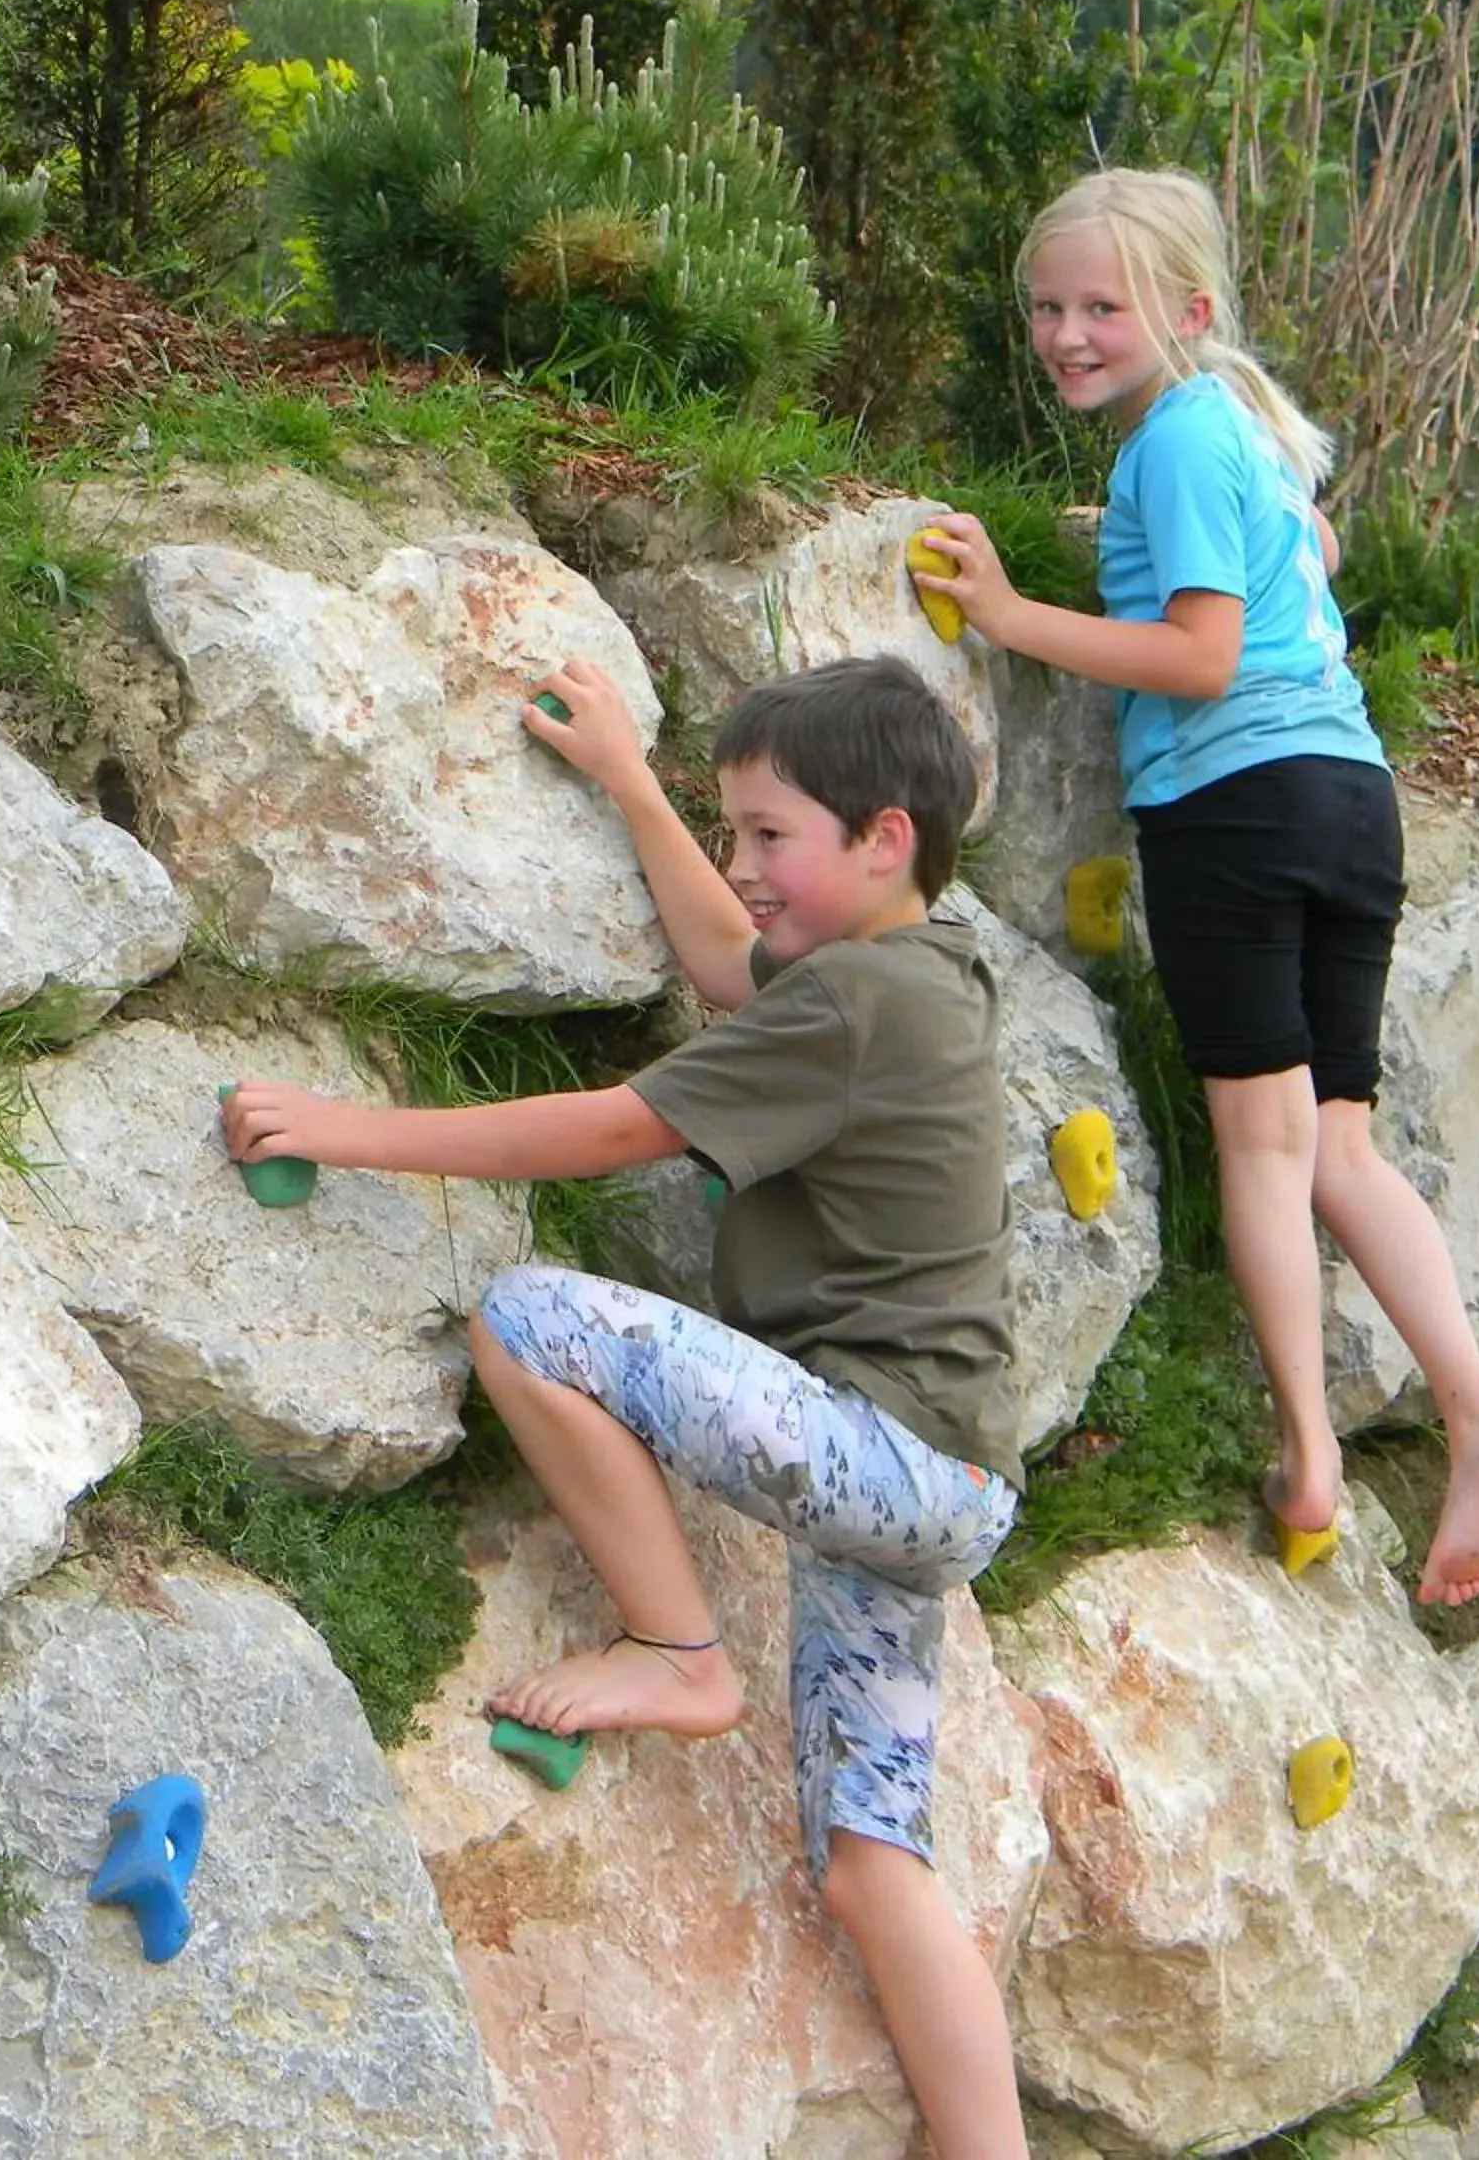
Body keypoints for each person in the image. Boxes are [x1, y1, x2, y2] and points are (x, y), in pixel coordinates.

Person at [222, 655, 1030, 2158]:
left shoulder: (859, 997)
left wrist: (350, 1128)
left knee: (529, 1320)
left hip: (875, 1450)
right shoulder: (917, 969)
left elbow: (616, 1127)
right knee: (871, 1857)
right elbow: (731, 960)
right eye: (735, 831)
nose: (744, 865)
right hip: (940, 1492)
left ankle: (678, 1650)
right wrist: (633, 783)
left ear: (885, 838)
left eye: (769, 834)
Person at [910, 166, 1479, 1608]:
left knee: (1262, 1149)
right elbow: (1292, 559)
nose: (1066, 334)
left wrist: (1012, 613)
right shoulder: (1244, 427)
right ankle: (1478, 1408)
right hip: (1348, 800)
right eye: (1046, 308)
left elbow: (1200, 656)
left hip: (1235, 808)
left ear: (1186, 309)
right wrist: (1112, 536)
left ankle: (1311, 1453)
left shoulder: (1178, 444)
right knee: (1339, 1149)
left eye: (1100, 307)